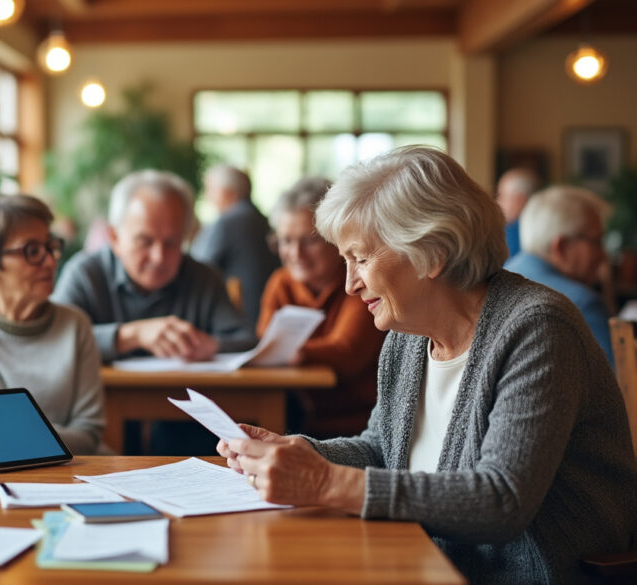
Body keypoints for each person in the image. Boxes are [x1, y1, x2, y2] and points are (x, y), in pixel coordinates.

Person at [219, 146, 636, 584]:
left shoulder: (537, 328)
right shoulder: (407, 335)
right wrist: (300, 451)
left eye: (360, 259)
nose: (349, 284)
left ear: (431, 252)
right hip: (428, 562)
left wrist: (323, 482)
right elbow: (382, 450)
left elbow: (500, 501)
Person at [0, 194, 105, 455]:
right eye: (32, 251)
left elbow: (89, 432)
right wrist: (29, 438)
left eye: (50, 246)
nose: (51, 261)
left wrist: (27, 436)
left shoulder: (76, 325)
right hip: (4, 477)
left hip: (82, 468)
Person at [52, 169, 256, 364]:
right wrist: (130, 336)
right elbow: (53, 340)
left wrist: (212, 345)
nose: (159, 257)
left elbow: (247, 340)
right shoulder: (85, 274)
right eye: (145, 241)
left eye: (171, 243)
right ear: (114, 237)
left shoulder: (203, 277)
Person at [259, 176, 386, 437]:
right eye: (285, 241)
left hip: (357, 426)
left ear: (336, 240)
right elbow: (266, 343)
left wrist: (300, 352)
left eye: (310, 241)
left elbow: (348, 351)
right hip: (289, 415)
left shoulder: (357, 280)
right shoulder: (280, 282)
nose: (295, 254)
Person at [505, 185, 614, 363]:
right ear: (561, 247)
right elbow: (623, 381)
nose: (603, 255)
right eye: (596, 241)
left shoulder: (501, 277)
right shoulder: (582, 303)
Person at [190, 165, 279, 329]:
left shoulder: (228, 222)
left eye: (210, 190)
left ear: (227, 192)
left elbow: (197, 268)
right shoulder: (262, 219)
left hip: (241, 321)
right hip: (269, 315)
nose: (208, 197)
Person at [495, 167, 539, 260]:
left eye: (501, 196)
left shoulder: (511, 232)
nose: (498, 202)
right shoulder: (546, 226)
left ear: (519, 199)